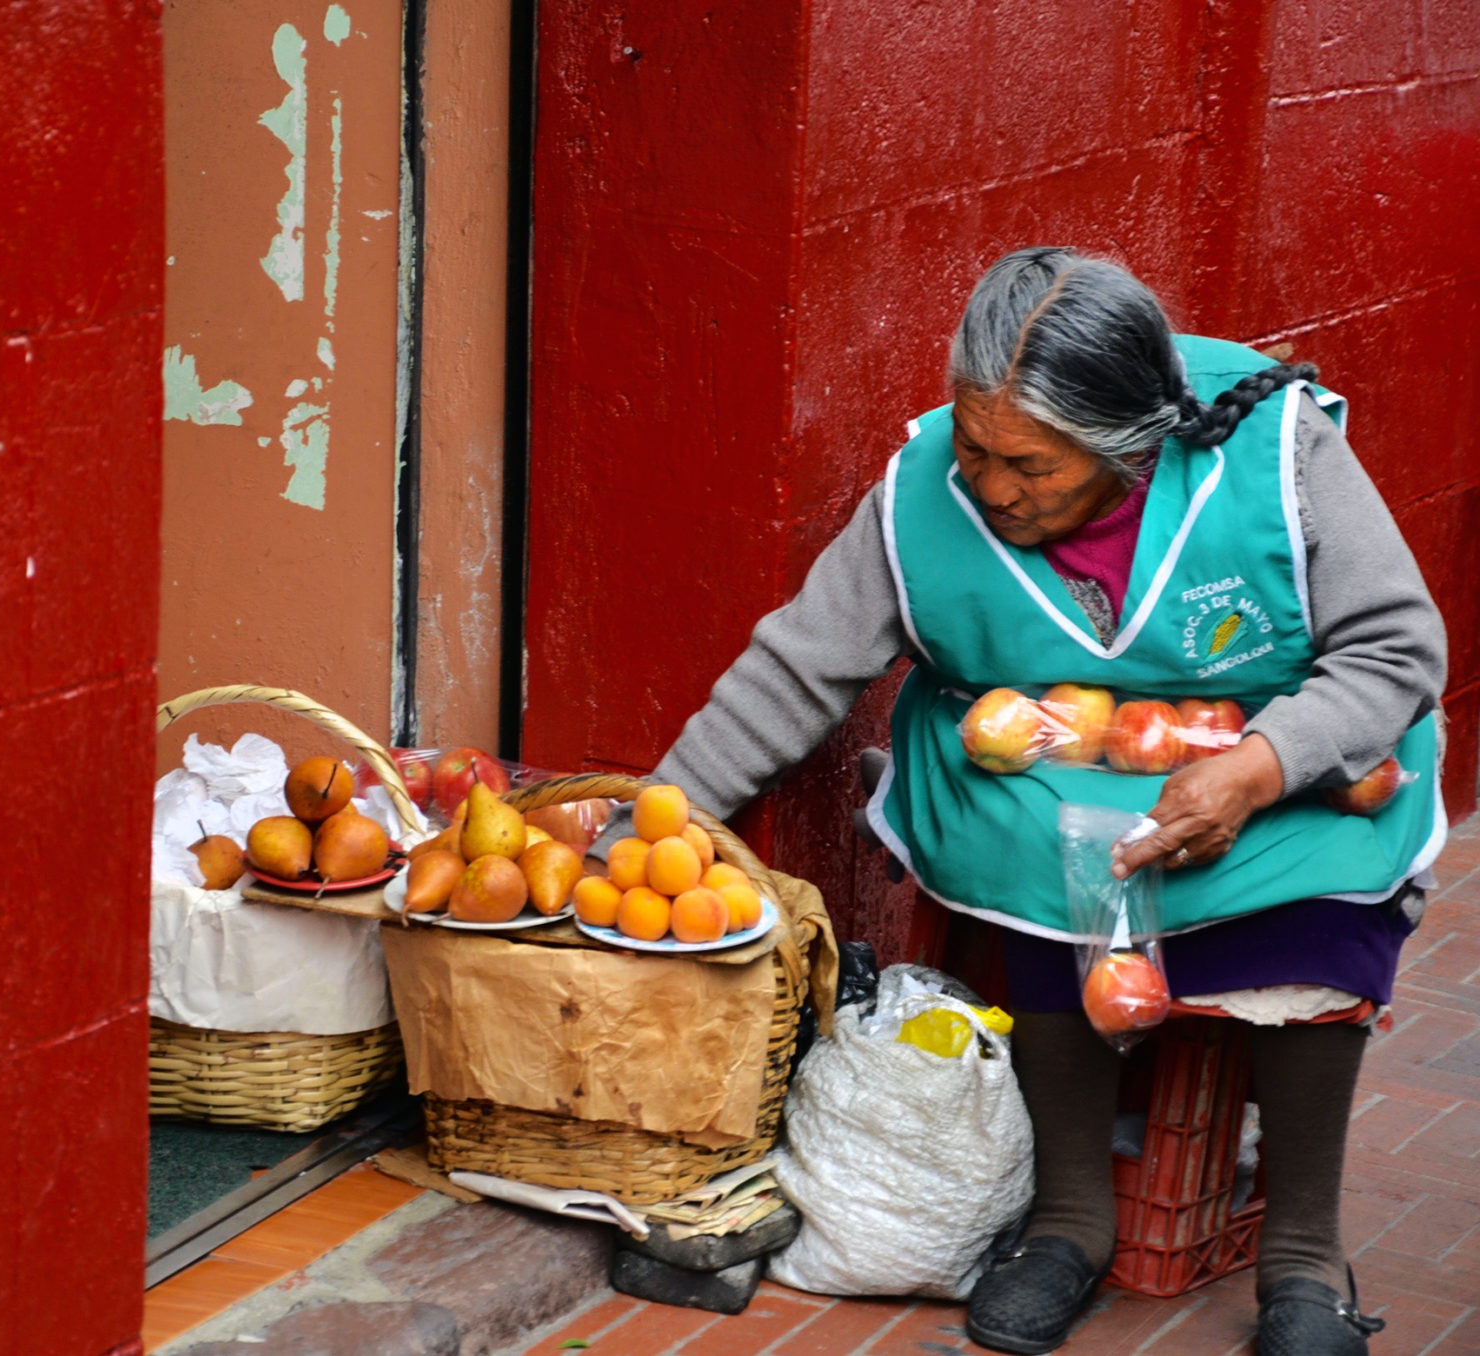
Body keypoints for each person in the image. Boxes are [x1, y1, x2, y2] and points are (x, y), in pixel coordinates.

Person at [613, 248, 1445, 1356]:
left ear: (1125, 446)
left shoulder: (1276, 456)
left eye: (1030, 467)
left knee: (1316, 881)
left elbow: (1394, 654)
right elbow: (797, 668)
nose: (993, 487)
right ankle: (1066, 1222)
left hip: (1270, 768)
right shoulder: (925, 491)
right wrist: (657, 816)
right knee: (1037, 851)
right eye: (975, 451)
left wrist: (1256, 767)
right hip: (1046, 785)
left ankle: (1300, 1258)